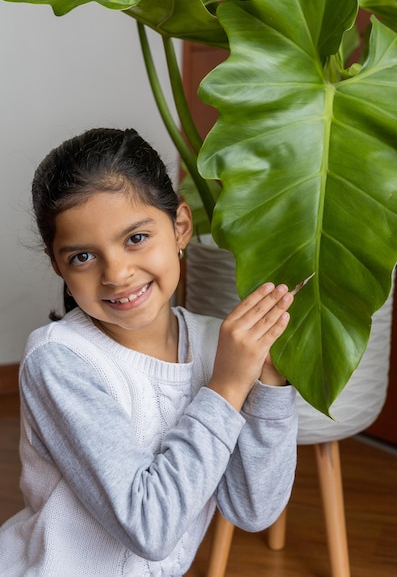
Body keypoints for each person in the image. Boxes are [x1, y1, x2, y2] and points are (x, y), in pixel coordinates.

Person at [0, 128, 298, 576]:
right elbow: (149, 527)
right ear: (57, 263)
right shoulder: (58, 361)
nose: (116, 274)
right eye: (82, 256)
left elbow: (251, 509)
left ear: (180, 226)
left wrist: (268, 385)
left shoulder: (219, 347)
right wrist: (227, 388)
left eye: (136, 238)